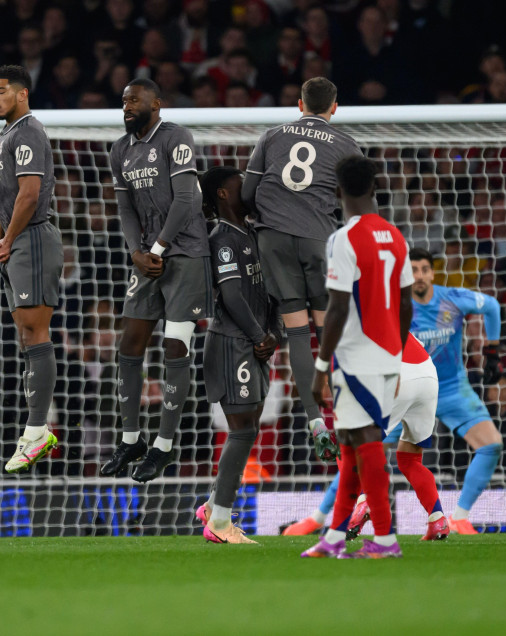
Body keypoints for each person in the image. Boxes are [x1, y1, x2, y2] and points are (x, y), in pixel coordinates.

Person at [100, 78, 211, 482]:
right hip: (146, 258)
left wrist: (158, 250)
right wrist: (136, 253)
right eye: (123, 100)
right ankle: (132, 439)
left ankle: (163, 446)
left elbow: (186, 200)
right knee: (130, 342)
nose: (127, 105)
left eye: (134, 99)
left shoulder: (176, 137)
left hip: (184, 255)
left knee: (174, 346)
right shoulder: (120, 150)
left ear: (156, 103)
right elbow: (125, 208)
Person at [301, 156, 412, 559]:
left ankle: (384, 540)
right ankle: (333, 538)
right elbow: (405, 304)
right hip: (386, 356)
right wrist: (397, 355)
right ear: (375, 189)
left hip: (354, 357)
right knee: (350, 444)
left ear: (336, 191)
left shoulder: (343, 238)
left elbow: (337, 308)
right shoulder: (395, 236)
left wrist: (320, 367)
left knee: (365, 445)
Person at [241, 77, 363, 442]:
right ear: (334, 108)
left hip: (273, 240)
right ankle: (346, 414)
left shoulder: (272, 135)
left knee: (296, 330)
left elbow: (248, 192)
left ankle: (313, 421)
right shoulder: (347, 145)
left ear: (300, 105)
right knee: (328, 332)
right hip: (318, 240)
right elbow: (356, 205)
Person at [284, 333, 450, 542]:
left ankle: (364, 502)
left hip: (399, 375)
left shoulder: (349, 320)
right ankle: (438, 520)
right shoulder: (387, 312)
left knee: (349, 445)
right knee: (409, 459)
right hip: (428, 374)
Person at [193, 166, 281, 544]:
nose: (247, 188)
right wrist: (261, 334)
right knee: (242, 430)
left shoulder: (253, 233)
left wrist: (272, 333)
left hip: (255, 343)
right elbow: (230, 296)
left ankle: (214, 504)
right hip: (232, 343)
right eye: (238, 183)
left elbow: (271, 290)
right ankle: (220, 522)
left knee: (249, 427)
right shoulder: (222, 239)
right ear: (223, 195)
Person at [0, 64, 61, 473]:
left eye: (1, 91)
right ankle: (34, 430)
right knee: (27, 335)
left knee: (36, 331)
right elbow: (9, 196)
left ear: (22, 94)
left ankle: (37, 431)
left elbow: (30, 196)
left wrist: (10, 237)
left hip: (32, 239)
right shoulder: (4, 137)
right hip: (18, 240)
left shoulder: (29, 131)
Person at [406, 247, 503, 535]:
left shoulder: (450, 299)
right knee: (365, 450)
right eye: (413, 270)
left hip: (451, 388)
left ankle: (459, 517)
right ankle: (321, 517)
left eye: (424, 270)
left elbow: (492, 306)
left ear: (432, 273)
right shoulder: (398, 307)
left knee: (491, 444)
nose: (420, 276)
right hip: (411, 392)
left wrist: (492, 351)